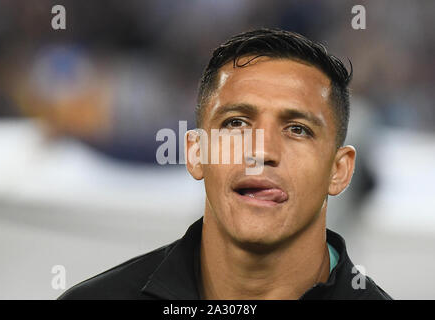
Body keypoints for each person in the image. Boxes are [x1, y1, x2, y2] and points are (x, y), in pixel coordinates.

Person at [59, 28, 392, 300]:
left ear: (340, 170)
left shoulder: (363, 121)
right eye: (236, 124)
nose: (261, 150)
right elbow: (145, 150)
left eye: (297, 129)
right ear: (195, 153)